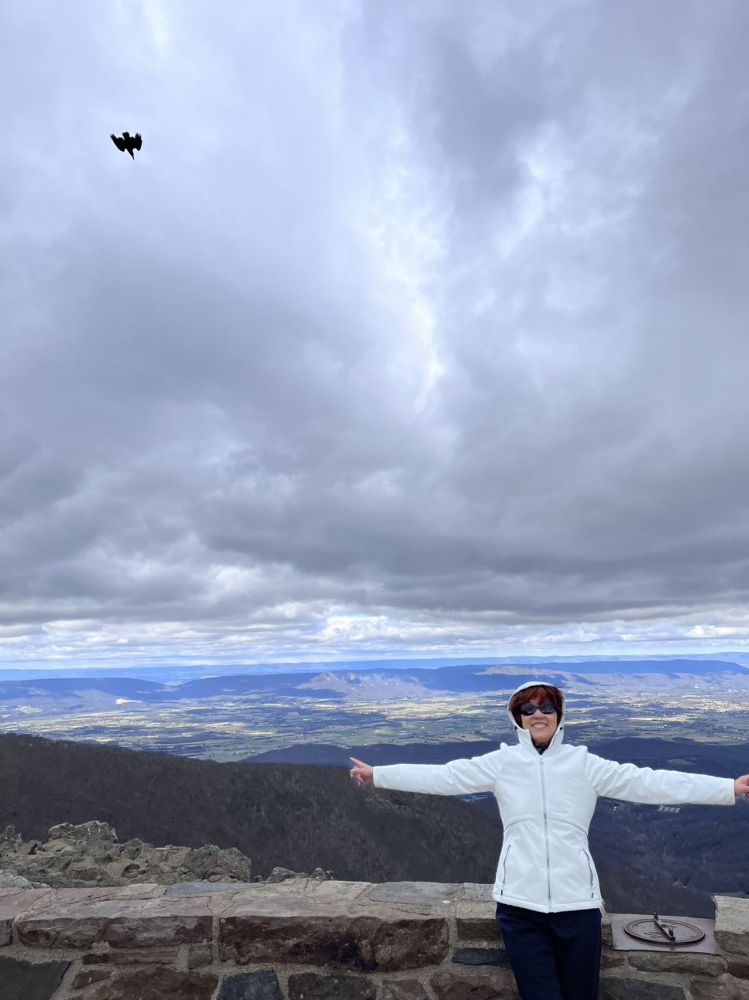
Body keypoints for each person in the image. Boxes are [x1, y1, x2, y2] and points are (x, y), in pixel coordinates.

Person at [349, 679, 749, 1000]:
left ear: (559, 715)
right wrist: (378, 774)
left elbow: (651, 783)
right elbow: (443, 777)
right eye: (528, 709)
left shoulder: (585, 764)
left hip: (578, 907)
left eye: (546, 708)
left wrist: (727, 788)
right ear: (517, 718)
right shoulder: (501, 764)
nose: (537, 714)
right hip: (519, 908)